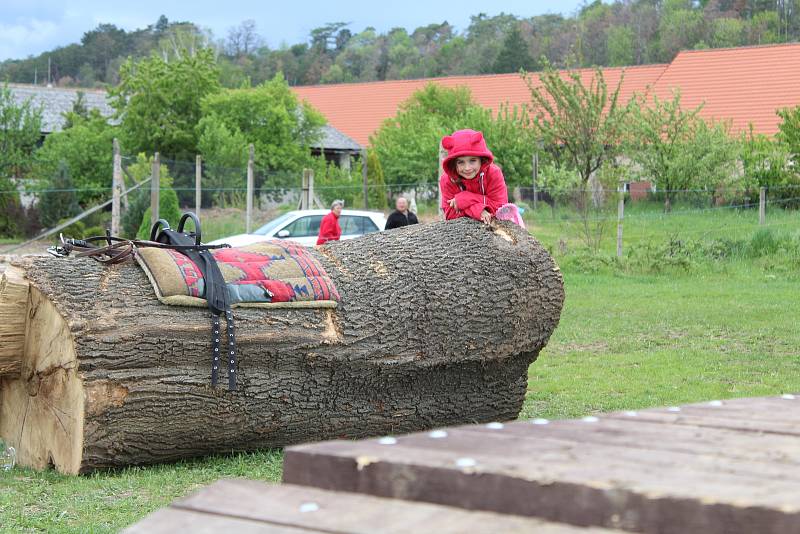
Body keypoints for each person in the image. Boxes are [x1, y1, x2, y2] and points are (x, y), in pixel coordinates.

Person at [439, 129, 508, 224]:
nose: (467, 168)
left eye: (472, 160)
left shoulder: (493, 173)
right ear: (454, 164)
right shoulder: (447, 180)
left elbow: (500, 208)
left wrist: (466, 198)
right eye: (461, 162)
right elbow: (450, 214)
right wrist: (477, 210)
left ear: (481, 159)